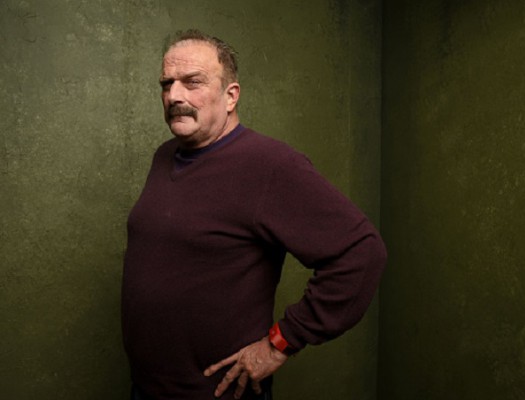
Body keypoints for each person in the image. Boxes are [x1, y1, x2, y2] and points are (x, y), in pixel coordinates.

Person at [122, 29, 387, 400]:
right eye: (167, 84)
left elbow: (362, 252)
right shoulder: (165, 156)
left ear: (231, 96)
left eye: (192, 82)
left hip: (217, 394)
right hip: (149, 390)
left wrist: (280, 344)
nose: (174, 95)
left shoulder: (270, 164)